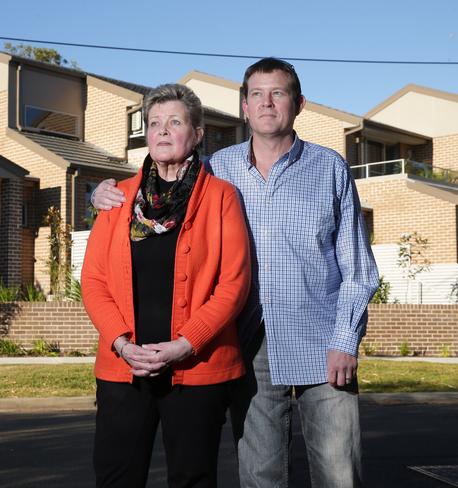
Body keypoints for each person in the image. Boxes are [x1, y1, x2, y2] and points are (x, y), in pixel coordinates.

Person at [92, 59, 379, 487]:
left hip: (321, 343)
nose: (266, 103)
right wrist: (96, 195)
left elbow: (358, 268)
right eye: (256, 95)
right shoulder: (216, 169)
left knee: (338, 474)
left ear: (298, 104)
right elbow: (158, 187)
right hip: (251, 346)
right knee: (261, 475)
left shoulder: (329, 168)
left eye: (277, 93)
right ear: (244, 108)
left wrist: (345, 340)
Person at [82, 83, 251, 488]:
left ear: (196, 134)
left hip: (195, 369)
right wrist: (121, 343)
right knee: (115, 477)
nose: (161, 130)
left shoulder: (222, 197)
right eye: (154, 122)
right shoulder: (116, 199)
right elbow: (94, 280)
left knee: (192, 478)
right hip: (124, 368)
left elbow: (234, 283)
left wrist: (184, 344)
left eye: (174, 122)